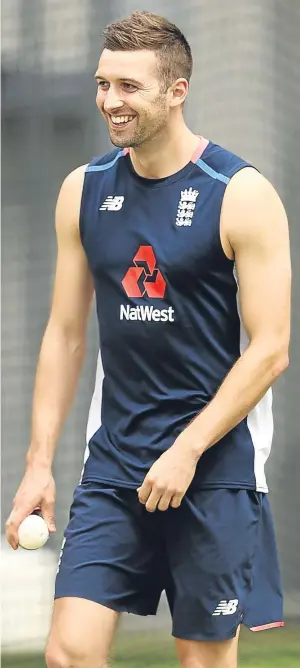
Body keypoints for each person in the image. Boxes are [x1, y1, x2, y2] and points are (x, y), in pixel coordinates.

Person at [6, 10, 291, 668]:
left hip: (216, 472)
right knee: (68, 655)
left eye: (129, 87)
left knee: (202, 662)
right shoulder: (83, 191)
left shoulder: (241, 195)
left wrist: (188, 449)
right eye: (103, 84)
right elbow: (65, 333)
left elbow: (272, 348)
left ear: (176, 90)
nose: (111, 101)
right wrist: (40, 463)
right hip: (115, 467)